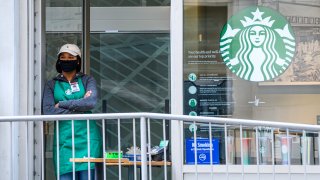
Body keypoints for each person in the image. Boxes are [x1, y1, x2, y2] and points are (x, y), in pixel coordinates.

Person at [42, 44, 102, 180]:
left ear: (78, 61)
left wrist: (62, 104)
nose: (66, 60)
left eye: (70, 57)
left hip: (87, 139)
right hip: (64, 141)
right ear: (58, 61)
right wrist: (80, 106)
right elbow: (48, 111)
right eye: (63, 57)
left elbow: (91, 102)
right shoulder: (51, 84)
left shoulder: (87, 80)